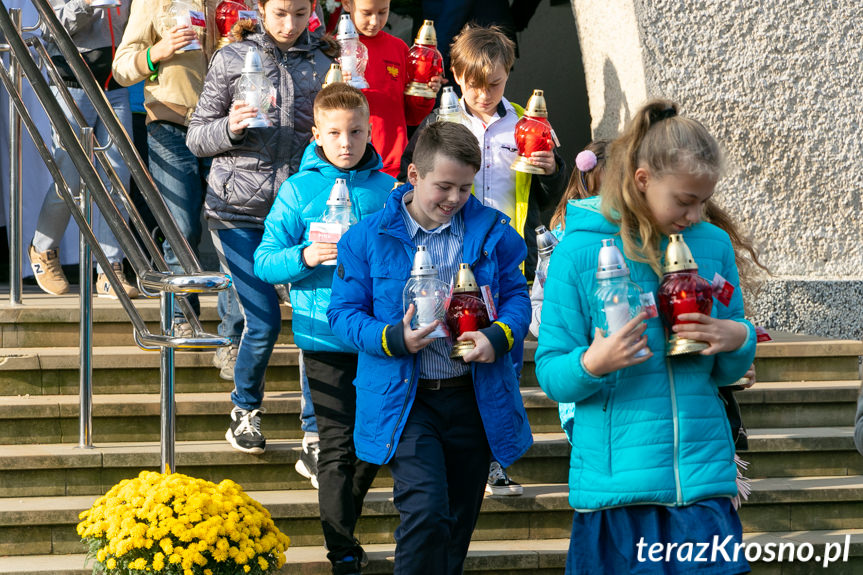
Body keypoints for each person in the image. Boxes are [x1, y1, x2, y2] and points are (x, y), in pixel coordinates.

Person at [535, 99, 756, 575]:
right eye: (683, 200)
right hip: (616, 495)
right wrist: (594, 362)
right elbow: (551, 371)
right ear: (641, 180)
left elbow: (728, 371)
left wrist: (736, 337)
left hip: (702, 486)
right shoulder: (576, 252)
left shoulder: (713, 245)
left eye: (702, 200)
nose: (695, 214)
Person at [327, 121, 533, 574]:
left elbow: (518, 298)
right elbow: (342, 315)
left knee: (457, 523)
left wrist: (496, 337)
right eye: (444, 186)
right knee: (426, 513)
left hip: (474, 397)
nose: (455, 199)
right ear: (414, 177)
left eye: (464, 187)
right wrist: (392, 337)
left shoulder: (492, 229)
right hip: (408, 399)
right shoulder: (365, 237)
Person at [402, 23, 564, 494]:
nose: (484, 93)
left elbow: (555, 191)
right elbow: (412, 180)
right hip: (449, 251)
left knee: (504, 353)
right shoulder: (441, 121)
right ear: (455, 74)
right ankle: (452, 448)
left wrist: (552, 170)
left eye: (494, 84)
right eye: (474, 84)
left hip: (508, 252)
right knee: (451, 346)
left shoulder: (529, 123)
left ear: (509, 75)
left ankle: (496, 457)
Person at [255, 82, 393, 575]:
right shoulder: (298, 189)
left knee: (375, 440)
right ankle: (342, 551)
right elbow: (264, 260)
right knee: (337, 443)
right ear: (315, 134)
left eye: (356, 132)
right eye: (334, 133)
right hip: (323, 335)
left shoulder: (388, 190)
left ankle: (344, 529)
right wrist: (306, 256)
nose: (346, 142)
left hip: (378, 337)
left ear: (369, 130)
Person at [185, 0, 334, 454]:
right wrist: (229, 127)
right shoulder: (232, 57)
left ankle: (314, 432)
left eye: (298, 13)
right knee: (265, 319)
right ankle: (244, 409)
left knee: (313, 319)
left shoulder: (326, 62)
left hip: (300, 214)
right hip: (237, 212)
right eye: (280, 13)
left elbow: (341, 130)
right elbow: (196, 135)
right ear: (262, 10)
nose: (289, 25)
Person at [113, 0, 244, 359]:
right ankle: (181, 315)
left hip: (227, 127)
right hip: (172, 123)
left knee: (232, 229)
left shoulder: (239, 2)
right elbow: (122, 68)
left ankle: (233, 339)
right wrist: (157, 52)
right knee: (181, 228)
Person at [29, 0, 138, 299]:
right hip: (71, 81)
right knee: (71, 177)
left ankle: (110, 268)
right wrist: (87, 2)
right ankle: (43, 249)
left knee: (118, 176)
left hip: (115, 84)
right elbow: (53, 25)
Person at [338, 0, 441, 177]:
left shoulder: (399, 48)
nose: (374, 21)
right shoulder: (334, 49)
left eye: (382, 12)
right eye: (367, 13)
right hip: (348, 162)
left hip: (393, 162)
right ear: (347, 4)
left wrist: (425, 93)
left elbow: (412, 116)